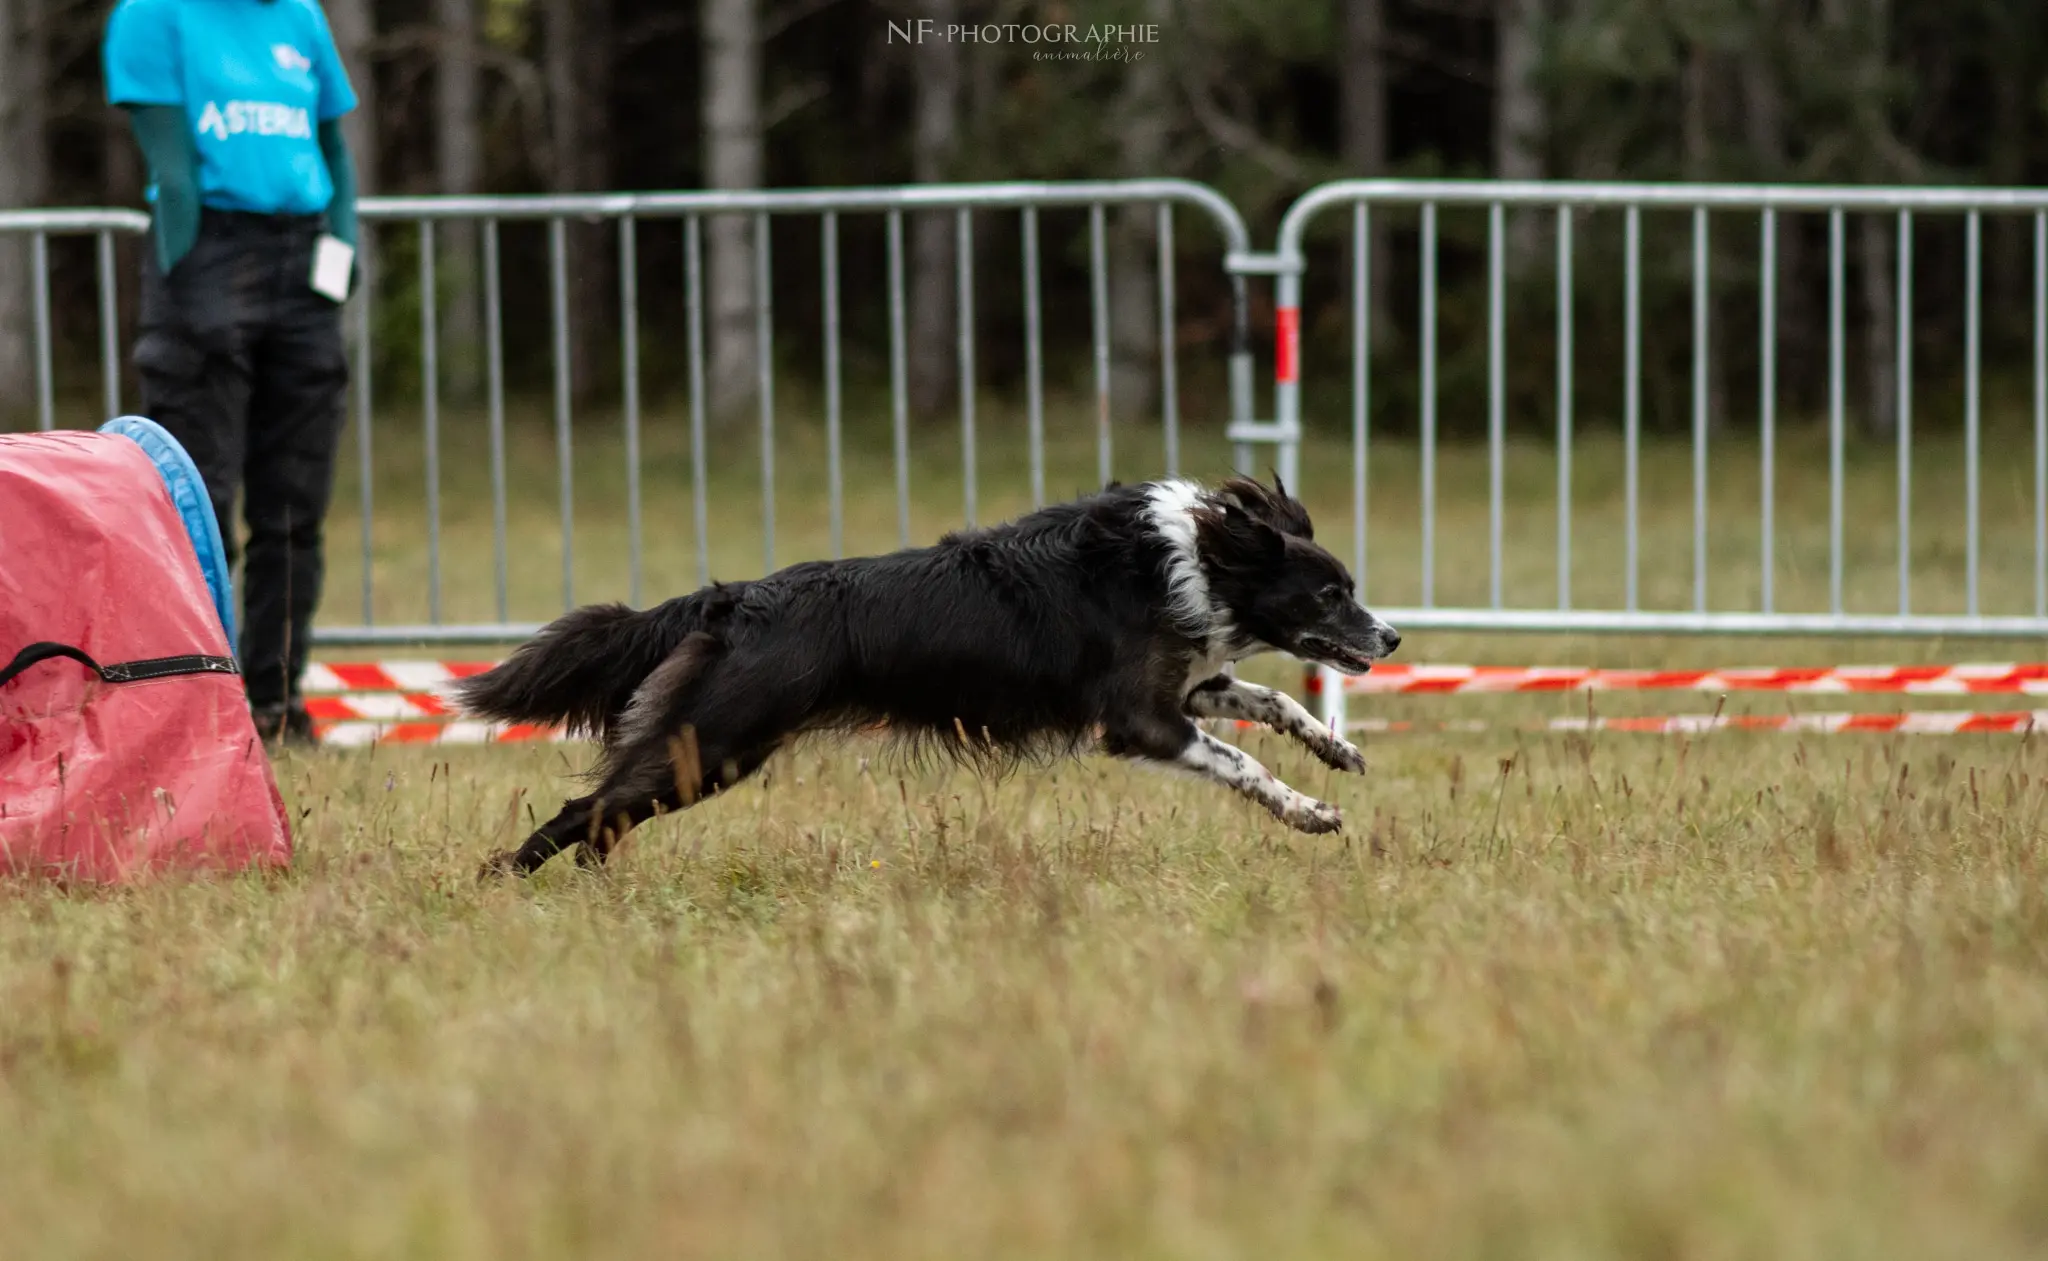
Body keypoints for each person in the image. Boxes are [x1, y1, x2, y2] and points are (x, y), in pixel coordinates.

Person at [103, 0, 360, 747]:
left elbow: (334, 150)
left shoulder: (300, 17)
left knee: (293, 508)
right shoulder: (153, 15)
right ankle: (197, 707)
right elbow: (173, 169)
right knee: (197, 501)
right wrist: (183, 275)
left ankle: (278, 704)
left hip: (301, 260)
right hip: (210, 253)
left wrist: (340, 250)